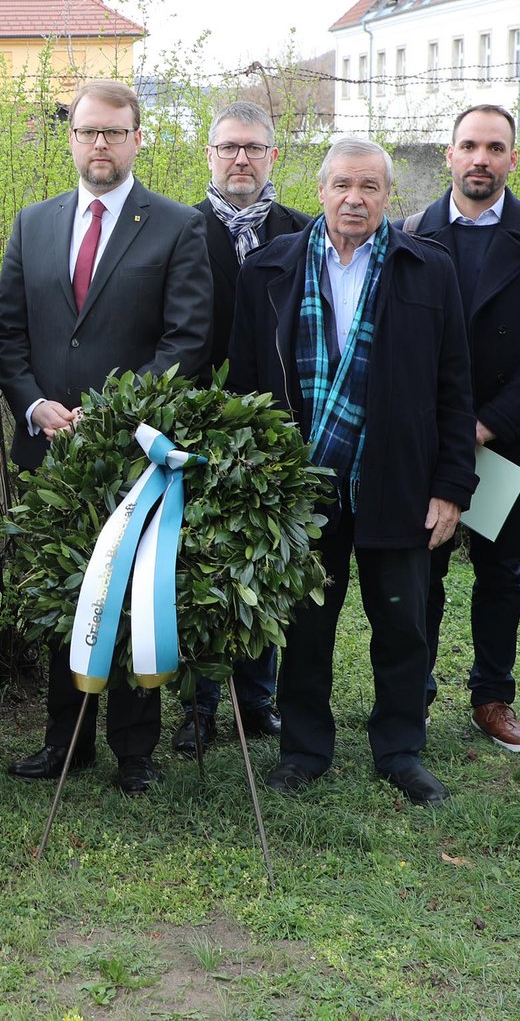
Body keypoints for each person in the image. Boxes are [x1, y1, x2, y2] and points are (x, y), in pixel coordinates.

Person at [228, 136, 477, 805]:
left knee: (403, 627)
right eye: (342, 185)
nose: (354, 198)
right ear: (320, 190)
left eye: (369, 187)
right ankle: (303, 749)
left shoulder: (429, 268)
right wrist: (258, 483)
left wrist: (452, 488)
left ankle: (400, 750)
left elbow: (456, 388)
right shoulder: (270, 271)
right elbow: (245, 387)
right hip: (300, 484)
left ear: (388, 196)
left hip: (396, 481)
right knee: (307, 628)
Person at [0, 77, 215, 795]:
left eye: (114, 133)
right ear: (71, 138)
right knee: (66, 593)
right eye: (88, 131)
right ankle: (65, 742)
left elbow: (187, 338)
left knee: (134, 594)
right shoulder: (33, 223)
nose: (100, 144)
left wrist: (117, 415)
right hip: (49, 448)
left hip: (133, 452)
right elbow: (9, 332)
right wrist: (32, 405)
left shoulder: (178, 225)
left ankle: (134, 750)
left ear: (137, 140)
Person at [405, 105, 520, 754]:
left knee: (500, 572)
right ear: (449, 155)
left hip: (506, 441)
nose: (481, 158)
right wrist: (443, 430)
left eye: (495, 147)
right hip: (426, 441)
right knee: (421, 570)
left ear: (513, 158)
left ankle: (492, 696)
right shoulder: (409, 232)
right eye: (469, 145)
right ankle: (412, 693)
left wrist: (485, 425)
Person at [175, 99, 310, 757]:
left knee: (264, 562)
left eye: (253, 148)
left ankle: (259, 699)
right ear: (209, 155)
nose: (240, 158)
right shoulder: (178, 230)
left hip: (276, 431)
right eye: (229, 147)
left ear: (271, 157)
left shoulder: (303, 233)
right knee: (198, 562)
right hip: (195, 427)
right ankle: (199, 705)